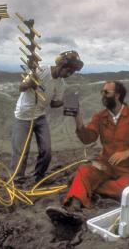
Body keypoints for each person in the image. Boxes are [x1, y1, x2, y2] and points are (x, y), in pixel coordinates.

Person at [46, 81, 129, 223]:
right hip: (105, 165)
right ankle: (72, 208)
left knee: (126, 190)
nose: (103, 95)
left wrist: (127, 153)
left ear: (118, 95)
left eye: (106, 92)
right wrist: (78, 120)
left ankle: (84, 188)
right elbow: (87, 138)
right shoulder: (100, 117)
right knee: (84, 171)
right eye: (102, 92)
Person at [10, 51, 84, 183]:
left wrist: (67, 101)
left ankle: (38, 176)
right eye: (69, 70)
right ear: (61, 65)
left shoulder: (61, 84)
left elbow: (54, 104)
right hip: (23, 115)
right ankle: (17, 179)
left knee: (46, 150)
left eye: (72, 72)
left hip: (40, 116)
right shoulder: (41, 70)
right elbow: (21, 87)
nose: (69, 74)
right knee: (21, 151)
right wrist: (29, 84)